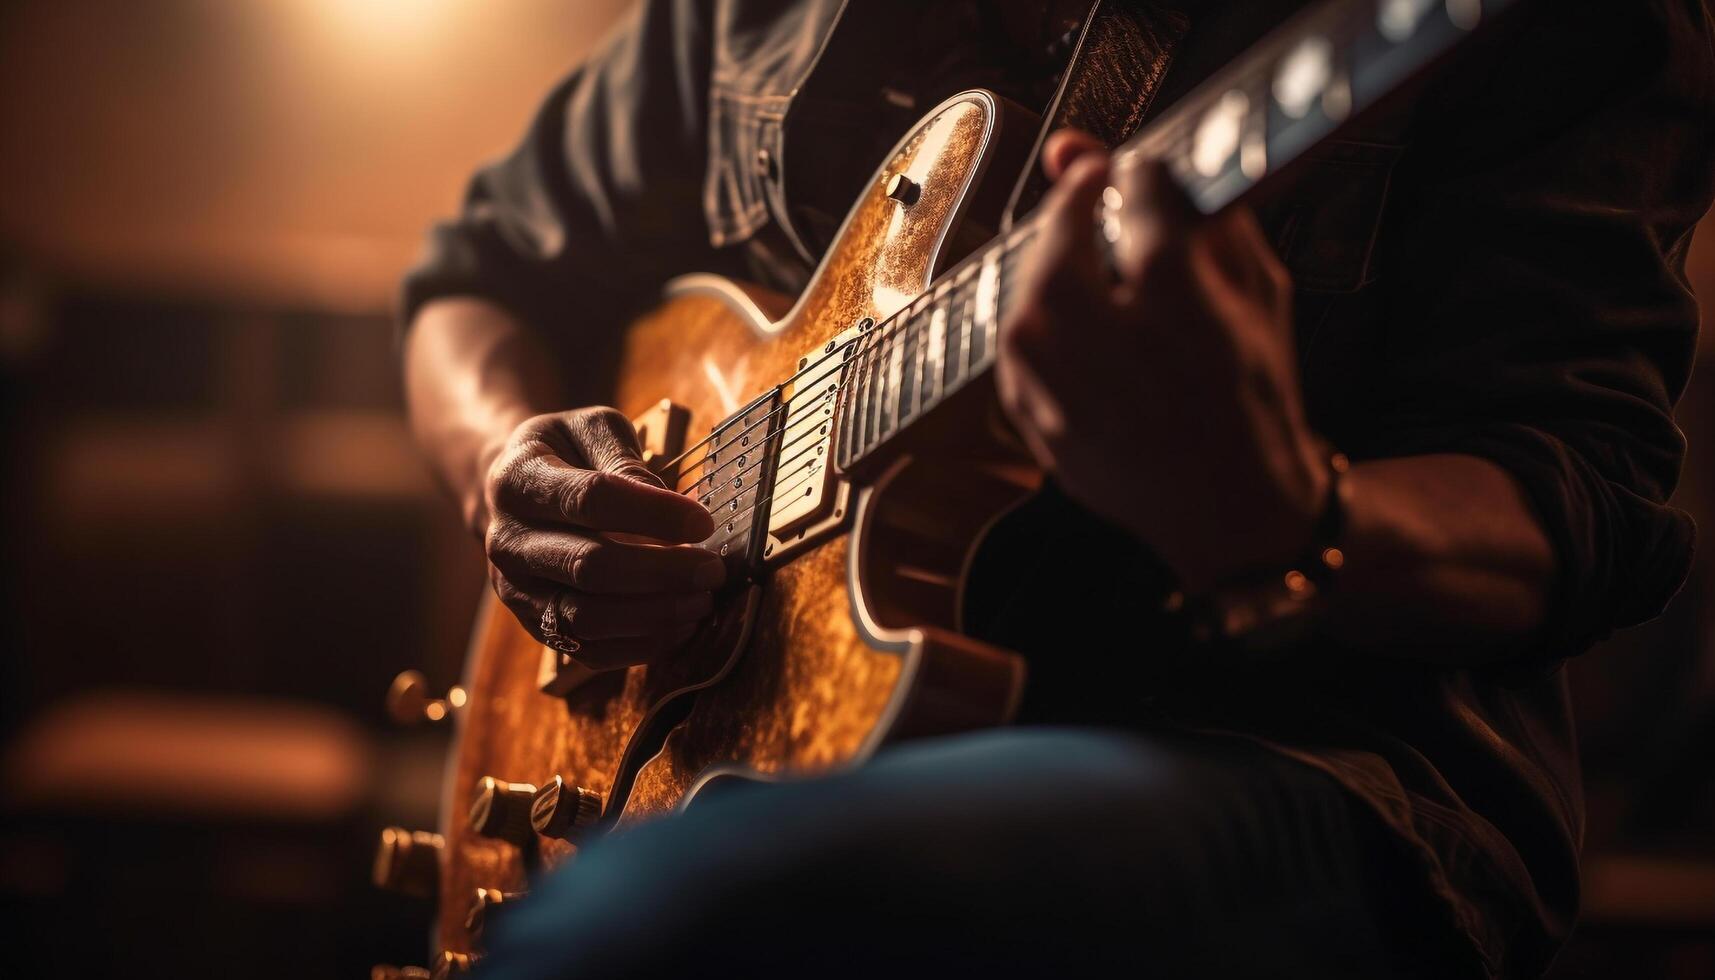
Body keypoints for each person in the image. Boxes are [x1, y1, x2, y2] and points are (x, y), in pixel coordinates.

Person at [399, 1, 1715, 976]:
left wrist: (1284, 517)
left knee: (667, 926)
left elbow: (1576, 490)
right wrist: (503, 464)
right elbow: (479, 280)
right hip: (738, 756)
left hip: (1304, 763)